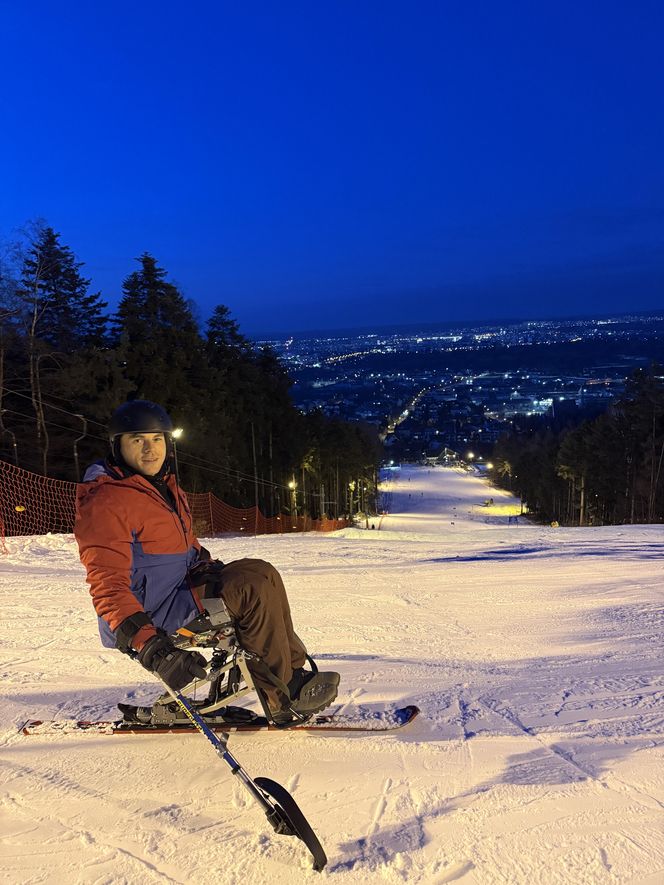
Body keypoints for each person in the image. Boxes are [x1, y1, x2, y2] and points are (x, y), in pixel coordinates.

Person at [74, 400, 340, 724]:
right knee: (250, 589)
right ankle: (283, 696)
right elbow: (107, 586)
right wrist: (151, 647)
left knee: (262, 572)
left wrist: (203, 562)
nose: (150, 450)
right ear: (118, 446)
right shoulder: (108, 500)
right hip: (152, 611)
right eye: (138, 440)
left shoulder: (161, 485)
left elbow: (183, 542)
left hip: (179, 587)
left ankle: (293, 672)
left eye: (157, 439)